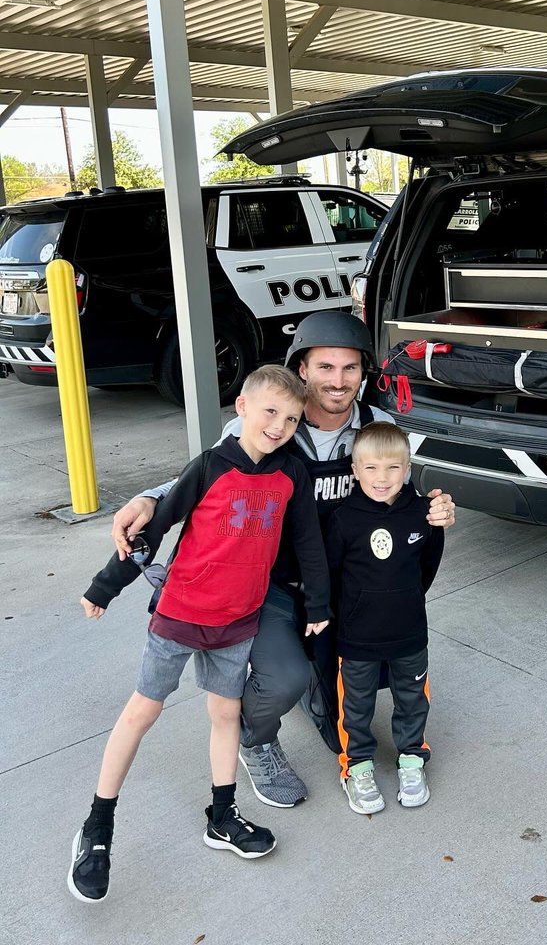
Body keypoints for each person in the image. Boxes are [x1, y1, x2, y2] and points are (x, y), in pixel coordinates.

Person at [110, 310, 455, 810]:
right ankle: (256, 740)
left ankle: (324, 684)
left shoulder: (376, 427)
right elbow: (211, 474)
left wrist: (435, 507)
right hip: (270, 582)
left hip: (341, 584)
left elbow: (399, 493)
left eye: (350, 369)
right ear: (302, 370)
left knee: (375, 669)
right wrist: (150, 497)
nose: (338, 382)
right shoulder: (272, 422)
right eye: (324, 368)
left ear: (364, 373)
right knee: (283, 680)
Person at [70, 366, 330, 903]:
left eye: (291, 418)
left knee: (225, 716)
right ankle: (97, 827)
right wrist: (104, 586)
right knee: (142, 711)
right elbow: (155, 524)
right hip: (182, 613)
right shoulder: (210, 465)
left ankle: (222, 815)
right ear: (241, 408)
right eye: (269, 412)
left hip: (238, 621)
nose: (279, 426)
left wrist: (320, 604)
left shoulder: (292, 476)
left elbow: (308, 542)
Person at [327, 422, 444, 814]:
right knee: (355, 706)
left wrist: (406, 599)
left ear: (407, 467)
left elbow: (428, 565)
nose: (382, 478)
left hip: (409, 633)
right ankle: (356, 766)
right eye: (372, 468)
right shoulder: (343, 520)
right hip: (357, 637)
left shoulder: (422, 514)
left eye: (393, 468)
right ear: (356, 471)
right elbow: (333, 575)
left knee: (412, 700)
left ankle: (412, 757)